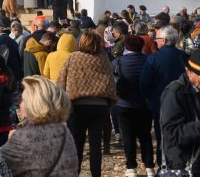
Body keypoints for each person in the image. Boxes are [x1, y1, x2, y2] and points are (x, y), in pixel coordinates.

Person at [57, 32, 116, 177]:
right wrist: (110, 101)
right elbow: (110, 81)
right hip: (100, 106)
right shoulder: (103, 59)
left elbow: (61, 80)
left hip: (77, 106)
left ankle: (75, 173)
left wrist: (61, 103)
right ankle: (96, 175)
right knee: (96, 145)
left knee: (77, 143)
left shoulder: (73, 57)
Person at [139, 25, 184, 166]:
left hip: (159, 104)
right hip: (182, 102)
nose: (155, 42)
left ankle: (163, 165)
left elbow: (145, 83)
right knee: (183, 134)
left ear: (163, 41)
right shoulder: (184, 56)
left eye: (156, 39)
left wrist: (148, 98)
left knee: (162, 137)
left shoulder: (154, 58)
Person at [111, 35, 154, 177]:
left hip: (124, 104)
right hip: (144, 104)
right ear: (141, 46)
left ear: (126, 46)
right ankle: (149, 166)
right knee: (145, 136)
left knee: (128, 136)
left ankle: (131, 168)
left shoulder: (119, 61)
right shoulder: (148, 60)